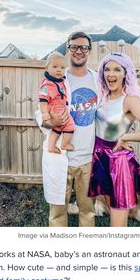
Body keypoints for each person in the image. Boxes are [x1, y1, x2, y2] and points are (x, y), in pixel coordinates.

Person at [88, 52, 140, 227]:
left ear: (125, 73)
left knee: (117, 218)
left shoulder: (130, 100)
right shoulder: (103, 97)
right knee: (106, 204)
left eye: (117, 69)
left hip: (118, 162)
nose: (111, 74)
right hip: (99, 157)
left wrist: (125, 137)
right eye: (107, 69)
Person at [37, 31, 98, 226]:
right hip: (61, 156)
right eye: (74, 46)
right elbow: (40, 112)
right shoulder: (56, 78)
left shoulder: (98, 81)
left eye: (84, 47)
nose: (79, 51)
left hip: (88, 157)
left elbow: (108, 113)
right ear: (68, 49)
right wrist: (51, 122)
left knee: (88, 210)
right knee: (57, 212)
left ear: (89, 50)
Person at [39, 52, 75, 154]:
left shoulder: (60, 81)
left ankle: (52, 146)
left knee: (58, 128)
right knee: (70, 125)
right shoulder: (48, 84)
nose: (59, 70)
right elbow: (43, 100)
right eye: (55, 67)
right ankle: (64, 144)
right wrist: (44, 113)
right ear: (47, 68)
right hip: (56, 110)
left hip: (60, 108)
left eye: (62, 68)